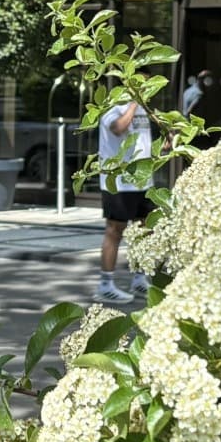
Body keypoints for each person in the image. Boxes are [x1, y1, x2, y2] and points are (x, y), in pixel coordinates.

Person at [96, 98, 152, 304]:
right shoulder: (112, 109)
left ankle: (139, 278)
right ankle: (105, 285)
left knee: (143, 230)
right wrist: (134, 105)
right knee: (115, 231)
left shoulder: (144, 111)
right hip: (119, 182)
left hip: (142, 180)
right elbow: (119, 128)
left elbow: (142, 141)